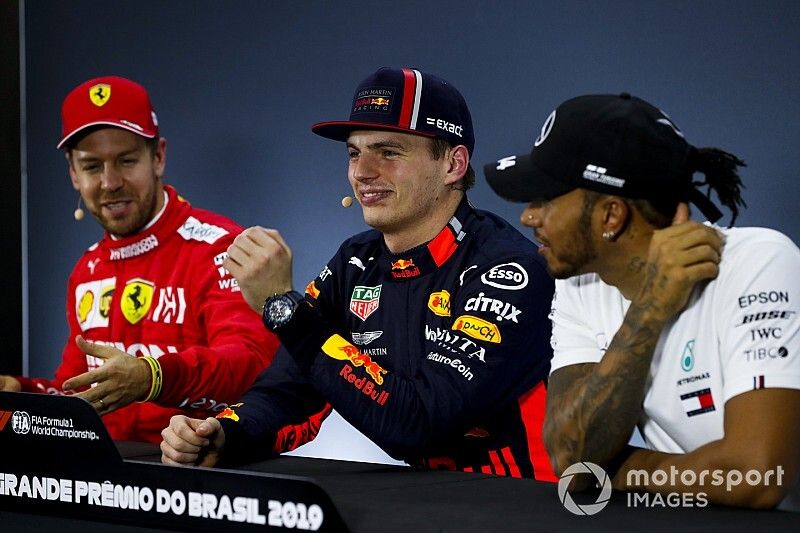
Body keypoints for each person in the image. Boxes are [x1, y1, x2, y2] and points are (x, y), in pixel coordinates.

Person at [160, 67, 557, 480]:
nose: (362, 172)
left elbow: (420, 423)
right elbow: (291, 390)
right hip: (438, 505)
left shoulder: (509, 270)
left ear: (453, 164)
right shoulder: (356, 261)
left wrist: (284, 308)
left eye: (388, 151)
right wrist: (222, 433)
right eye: (354, 153)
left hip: (531, 505)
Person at [484, 93, 800, 508]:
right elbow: (570, 460)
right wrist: (649, 308)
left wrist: (618, 470)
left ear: (611, 216)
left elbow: (757, 476)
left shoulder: (759, 261)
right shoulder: (579, 285)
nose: (528, 216)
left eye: (546, 197)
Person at [0, 76, 279, 443]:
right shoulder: (87, 270)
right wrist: (20, 391)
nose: (110, 181)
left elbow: (250, 365)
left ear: (158, 157)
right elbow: (76, 393)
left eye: (126, 160)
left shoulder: (220, 248)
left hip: (198, 479)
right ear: (73, 174)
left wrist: (153, 378)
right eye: (91, 166)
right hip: (105, 482)